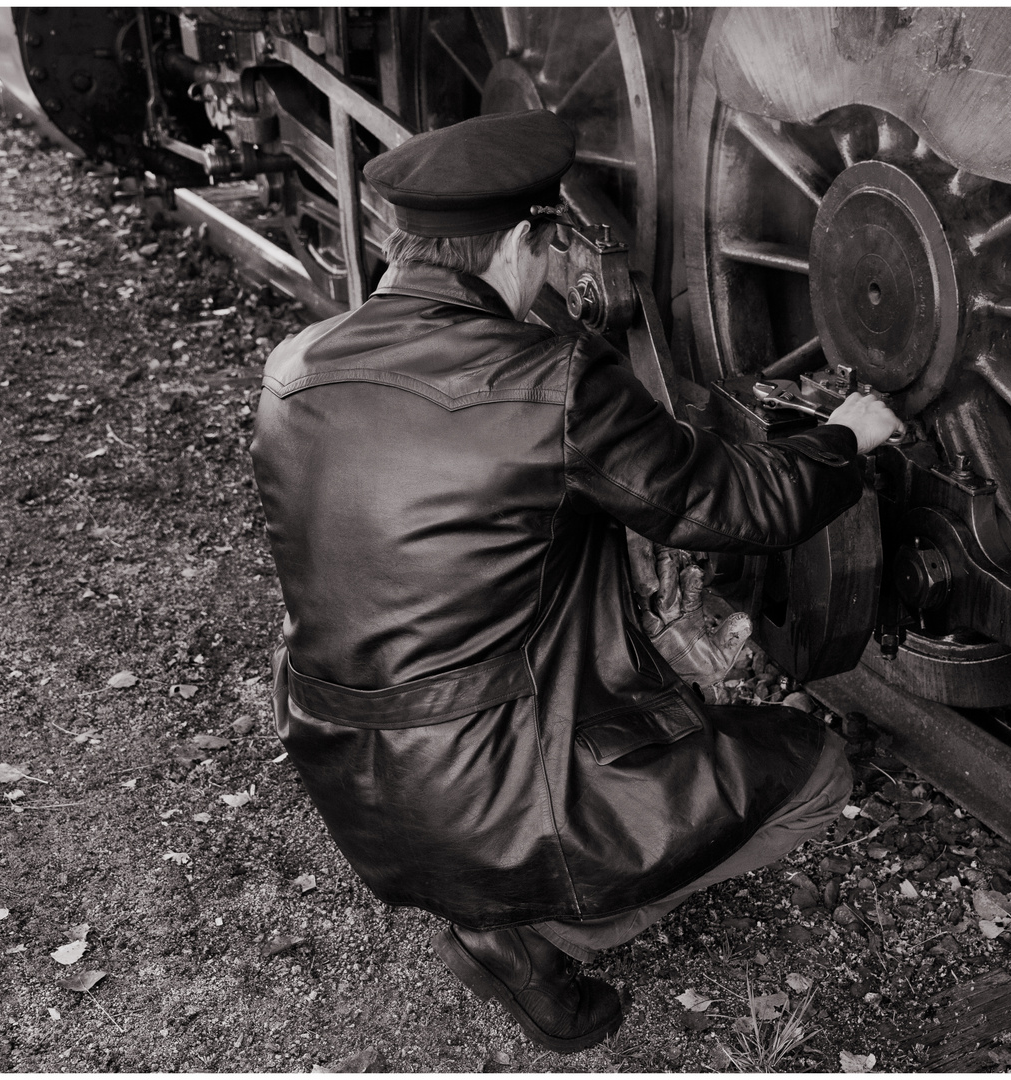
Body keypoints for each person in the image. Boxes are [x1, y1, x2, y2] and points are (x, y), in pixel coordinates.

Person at [247, 110, 902, 1052]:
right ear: (519, 241)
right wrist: (846, 437)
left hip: (352, 776)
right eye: (553, 250)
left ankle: (509, 898)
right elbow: (733, 507)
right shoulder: (548, 382)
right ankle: (527, 928)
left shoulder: (294, 364)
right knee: (816, 772)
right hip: (495, 804)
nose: (558, 274)